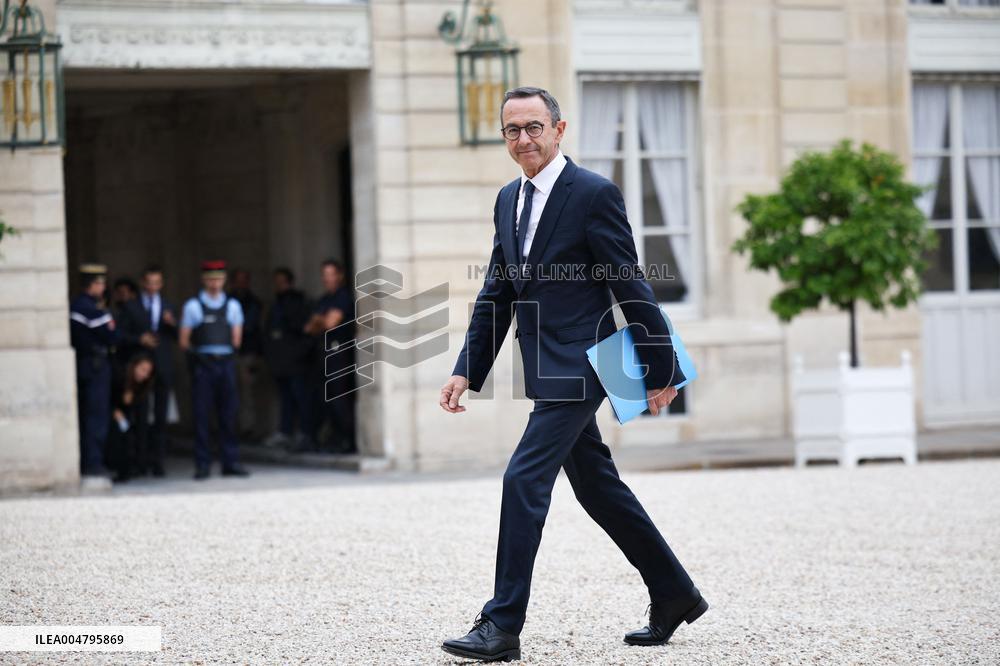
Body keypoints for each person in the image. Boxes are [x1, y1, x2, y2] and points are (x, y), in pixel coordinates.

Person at [438, 87, 707, 661]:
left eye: (534, 127)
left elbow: (629, 282)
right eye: (513, 130)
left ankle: (501, 624)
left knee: (523, 479)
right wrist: (468, 369)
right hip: (544, 365)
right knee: (597, 488)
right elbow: (497, 293)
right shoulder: (507, 199)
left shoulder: (593, 194)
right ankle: (674, 593)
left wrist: (661, 369)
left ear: (559, 130)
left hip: (581, 367)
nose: (524, 139)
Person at [179, 260, 250, 480]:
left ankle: (231, 461)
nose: (215, 283)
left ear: (224, 280)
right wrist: (199, 357)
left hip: (226, 362)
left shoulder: (232, 306)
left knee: (229, 414)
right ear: (204, 280)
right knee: (202, 415)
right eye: (211, 279)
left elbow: (237, 338)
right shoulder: (193, 306)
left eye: (219, 279)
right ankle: (203, 463)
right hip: (204, 363)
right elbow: (184, 341)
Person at [117, 265, 178, 477]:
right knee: (140, 416)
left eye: (157, 283)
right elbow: (120, 335)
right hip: (140, 367)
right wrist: (139, 339)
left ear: (161, 284)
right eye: (149, 283)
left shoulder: (168, 306)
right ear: (143, 282)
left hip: (162, 366)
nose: (153, 287)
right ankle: (140, 460)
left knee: (161, 417)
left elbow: (179, 337)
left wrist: (172, 324)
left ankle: (158, 461)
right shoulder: (131, 306)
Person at [69, 263, 120, 480]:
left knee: (90, 415)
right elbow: (112, 335)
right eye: (100, 283)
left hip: (88, 365)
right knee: (96, 417)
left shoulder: (79, 305)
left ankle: (91, 461)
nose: (103, 287)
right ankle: (94, 463)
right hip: (95, 367)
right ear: (93, 285)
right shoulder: (89, 308)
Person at [305, 258, 356, 453]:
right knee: (325, 398)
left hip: (340, 353)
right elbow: (309, 328)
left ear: (339, 276)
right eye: (324, 275)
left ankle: (348, 440)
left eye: (331, 274)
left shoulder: (343, 297)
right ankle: (335, 437)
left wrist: (320, 319)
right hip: (324, 353)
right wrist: (321, 320)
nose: (327, 279)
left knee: (340, 398)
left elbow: (329, 323)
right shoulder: (324, 299)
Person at [263, 267, 315, 450]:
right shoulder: (276, 304)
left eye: (282, 282)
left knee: (301, 397)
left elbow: (305, 331)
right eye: (276, 282)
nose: (279, 286)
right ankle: (285, 432)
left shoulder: (298, 302)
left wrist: (299, 353)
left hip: (295, 359)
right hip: (280, 359)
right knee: (286, 398)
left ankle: (305, 433)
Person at [106, 353, 155, 483]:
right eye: (142, 369)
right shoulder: (119, 376)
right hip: (111, 410)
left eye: (148, 372)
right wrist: (114, 410)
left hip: (126, 414)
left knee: (130, 433)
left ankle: (129, 469)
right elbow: (106, 396)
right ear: (134, 366)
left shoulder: (144, 384)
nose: (144, 374)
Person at [228, 268, 265, 440]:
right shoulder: (225, 301)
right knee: (228, 392)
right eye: (238, 280)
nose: (241, 284)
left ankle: (247, 429)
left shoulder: (253, 303)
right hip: (228, 353)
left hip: (247, 352)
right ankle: (229, 427)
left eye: (244, 280)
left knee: (247, 392)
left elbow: (249, 327)